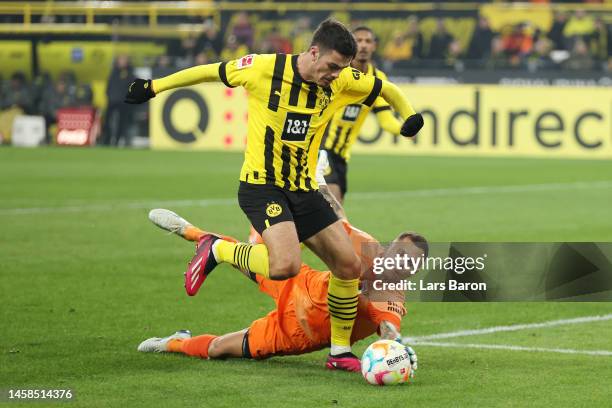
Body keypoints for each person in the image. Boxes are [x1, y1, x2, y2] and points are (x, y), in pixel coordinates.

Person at [125, 18, 423, 372]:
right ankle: (216, 249)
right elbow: (208, 71)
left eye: (341, 68)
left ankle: (339, 352)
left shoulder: (342, 79)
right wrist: (154, 86)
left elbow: (387, 90)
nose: (335, 75)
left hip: (303, 190)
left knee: (348, 266)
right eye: (331, 66)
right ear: (313, 52)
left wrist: (409, 116)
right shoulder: (263, 68)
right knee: (285, 265)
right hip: (263, 185)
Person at [138, 200, 425, 370]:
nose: (401, 263)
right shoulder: (368, 248)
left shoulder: (392, 296)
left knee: (218, 349)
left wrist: (394, 343)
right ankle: (190, 232)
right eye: (399, 254)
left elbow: (389, 326)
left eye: (409, 263)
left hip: (296, 333)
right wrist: (318, 182)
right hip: (300, 284)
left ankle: (173, 342)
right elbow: (337, 220)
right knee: (250, 256)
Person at [323, 26, 405, 203]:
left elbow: (385, 119)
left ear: (374, 46)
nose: (363, 46)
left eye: (368, 41)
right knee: (334, 209)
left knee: (327, 219)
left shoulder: (378, 78)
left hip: (341, 156)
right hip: (322, 148)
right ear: (351, 45)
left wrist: (402, 129)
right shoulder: (338, 71)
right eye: (358, 41)